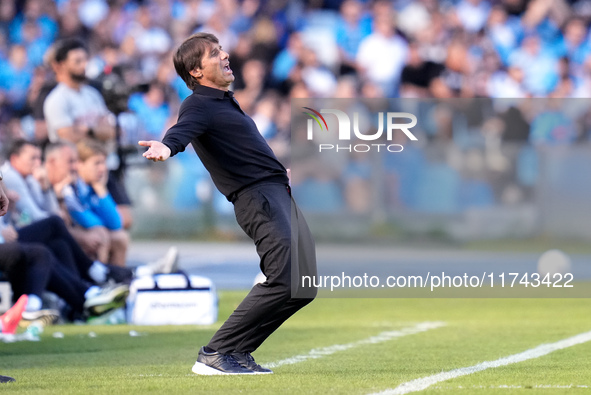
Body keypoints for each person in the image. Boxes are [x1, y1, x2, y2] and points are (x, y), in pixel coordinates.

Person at [139, 33, 317, 375]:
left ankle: (237, 352)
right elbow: (182, 130)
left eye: (221, 49)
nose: (225, 55)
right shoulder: (198, 104)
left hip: (276, 191)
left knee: (303, 284)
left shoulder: (224, 101)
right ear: (196, 71)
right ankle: (216, 352)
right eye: (214, 53)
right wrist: (167, 147)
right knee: (284, 278)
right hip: (258, 198)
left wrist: (278, 172)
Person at [42, 38, 133, 230]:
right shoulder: (57, 99)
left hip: (103, 165)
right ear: (59, 65)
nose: (84, 66)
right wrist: (95, 133)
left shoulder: (92, 94)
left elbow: (110, 130)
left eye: (85, 60)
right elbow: (67, 135)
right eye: (77, 61)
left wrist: (86, 130)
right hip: (78, 172)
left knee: (124, 221)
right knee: (101, 228)